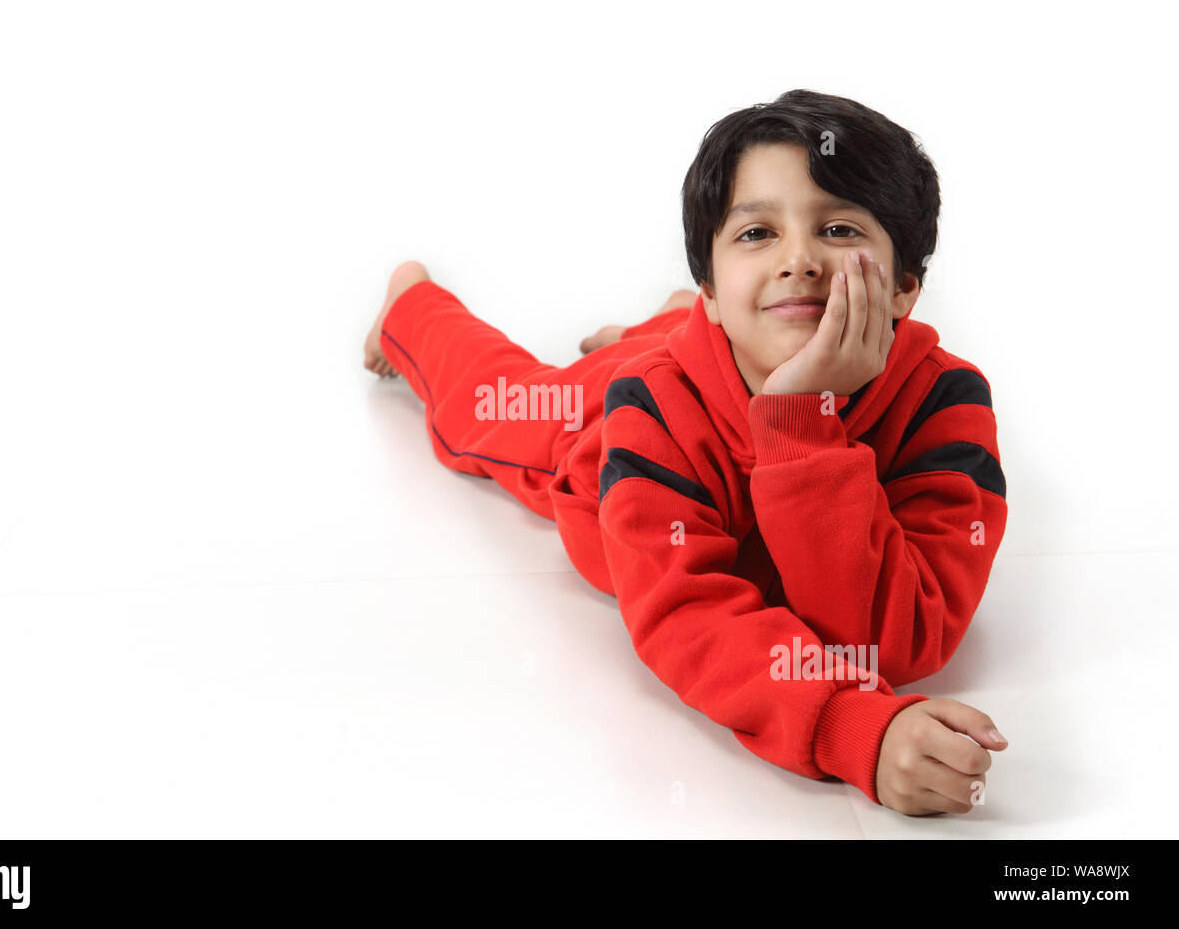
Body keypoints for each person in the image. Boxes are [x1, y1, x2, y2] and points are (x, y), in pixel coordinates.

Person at [363, 89, 1009, 817]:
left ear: (903, 288)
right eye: (756, 234)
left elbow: (891, 642)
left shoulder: (944, 400)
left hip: (700, 342)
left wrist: (800, 425)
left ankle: (659, 323)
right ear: (712, 286)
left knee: (661, 351)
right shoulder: (648, 411)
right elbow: (688, 617)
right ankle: (411, 308)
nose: (798, 259)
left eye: (835, 227)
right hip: (600, 434)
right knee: (492, 402)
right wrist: (846, 725)